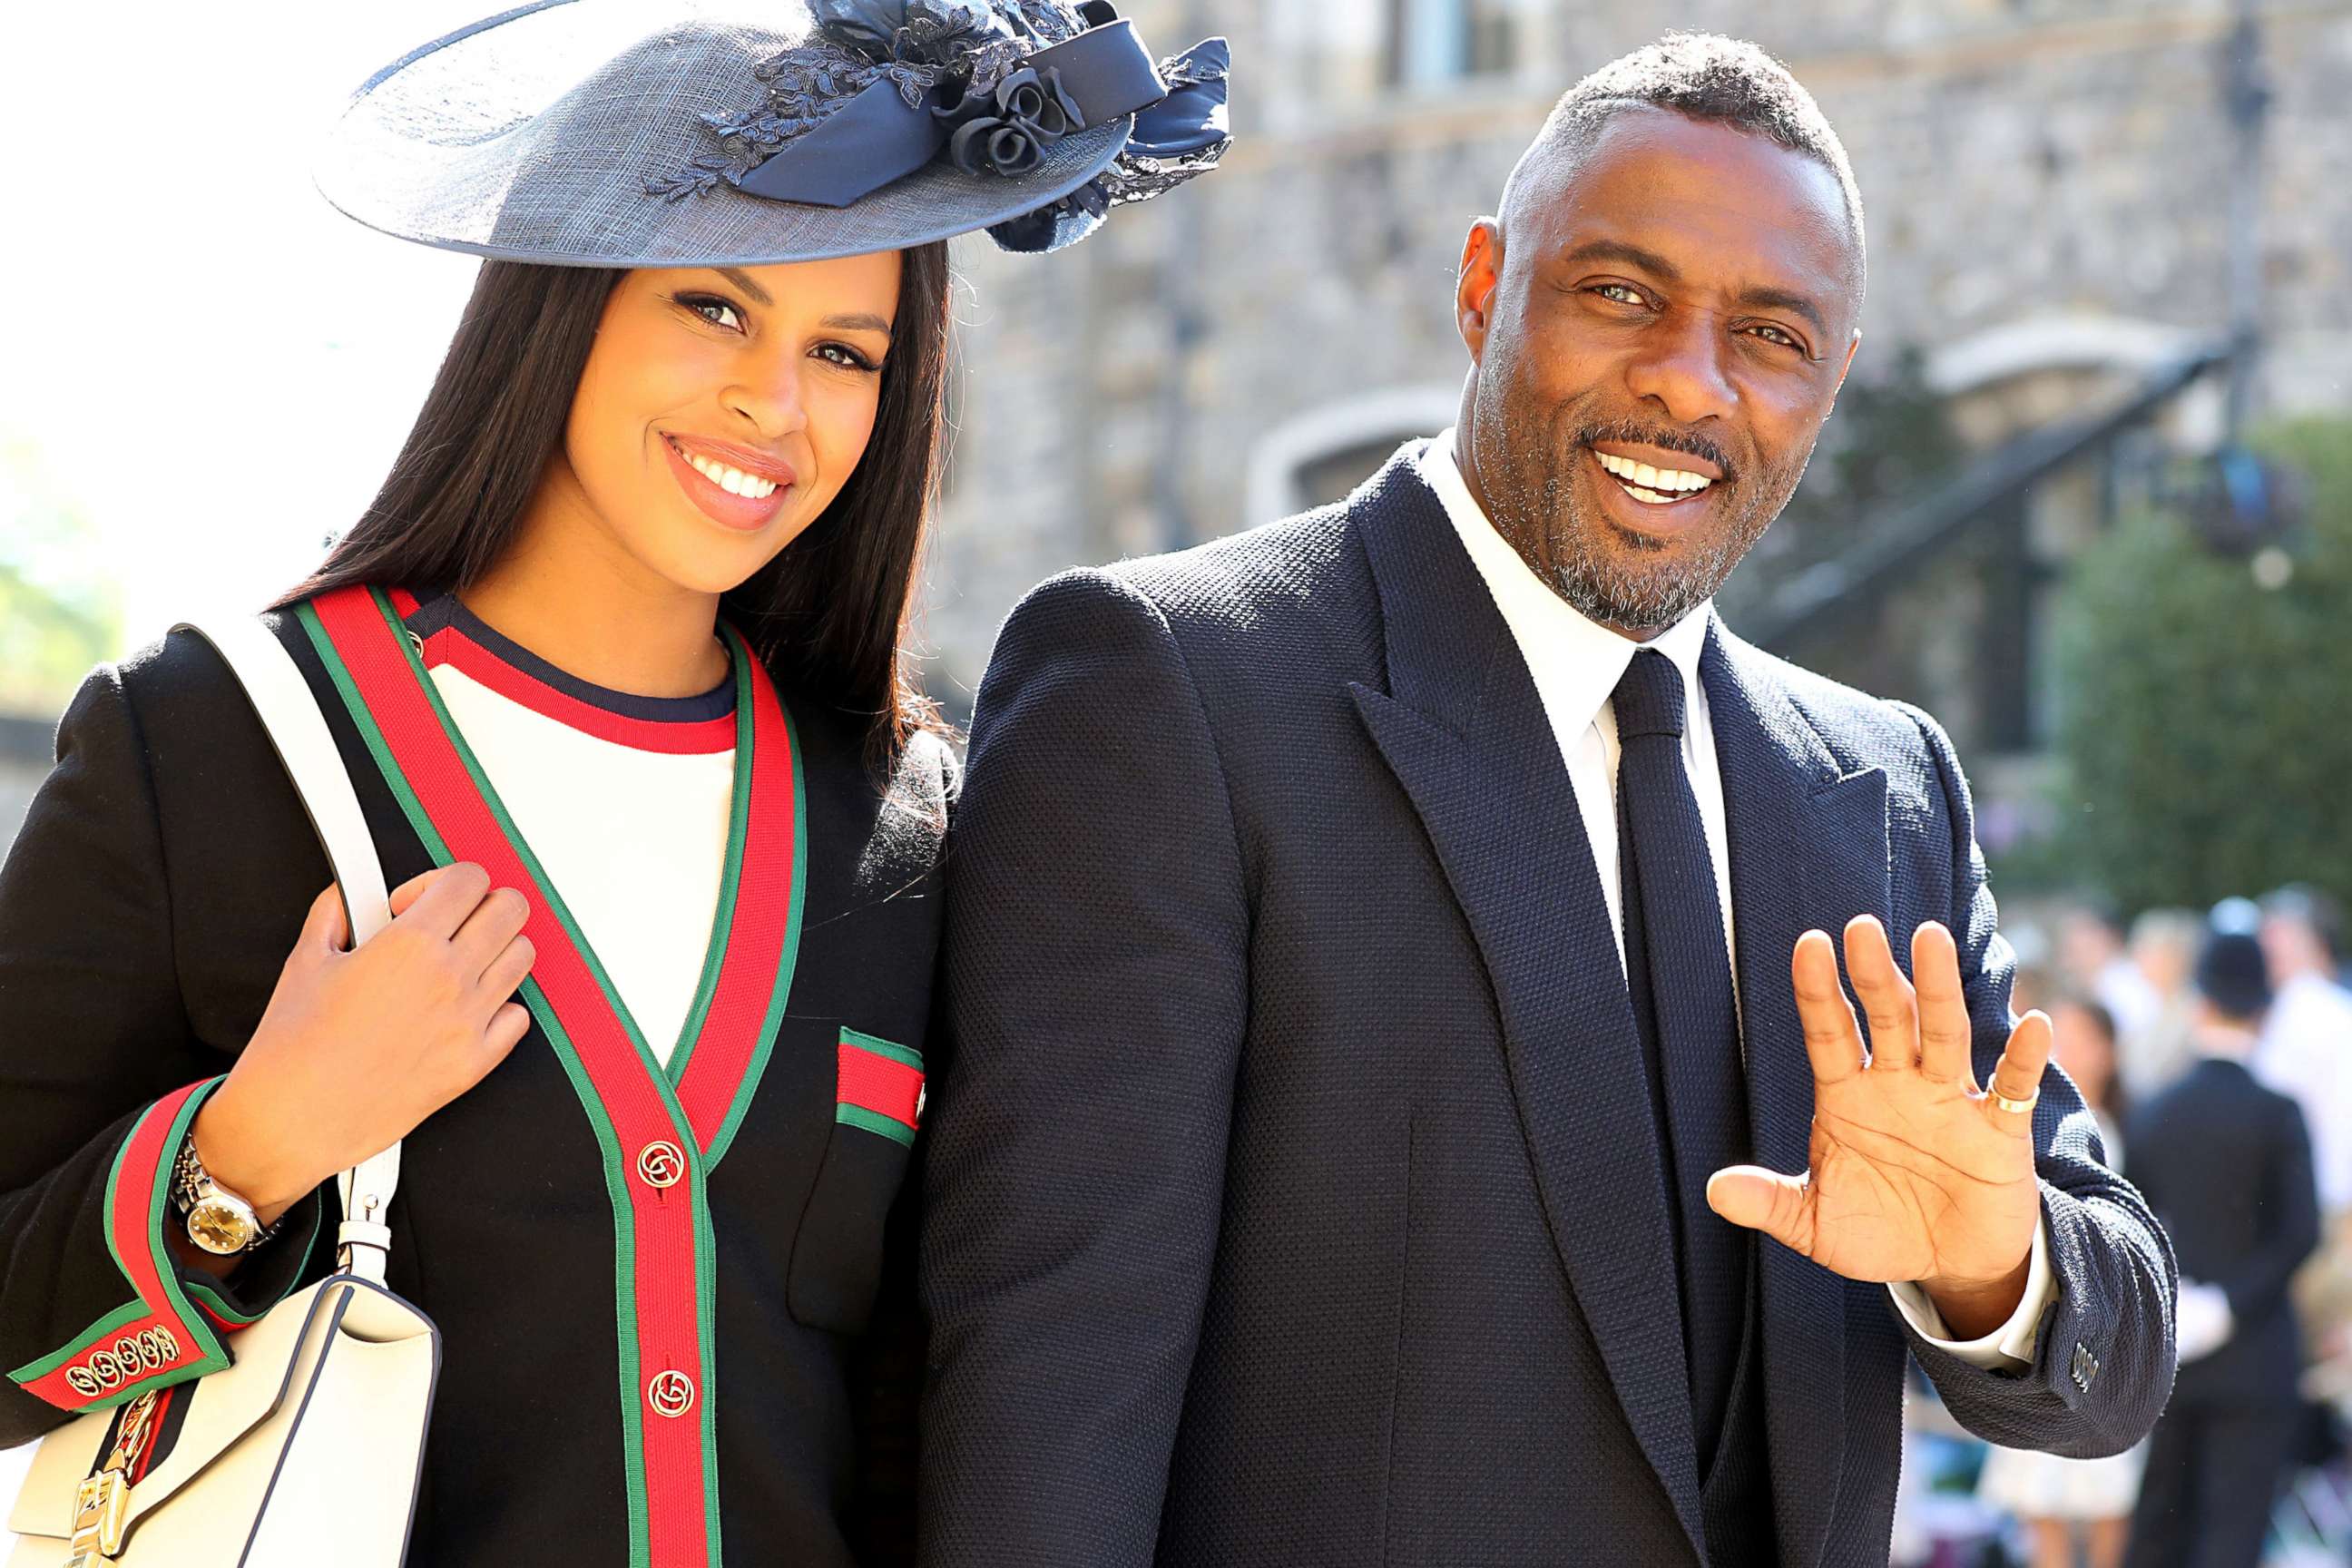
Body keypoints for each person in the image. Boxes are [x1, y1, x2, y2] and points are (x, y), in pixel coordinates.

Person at [921, 31, 2173, 1568]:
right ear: (1479, 288)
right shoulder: (1173, 686)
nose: (1686, 381)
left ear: (1828, 380)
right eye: (1620, 294)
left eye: (1771, 334)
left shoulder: (1879, 786)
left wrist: (1988, 1263)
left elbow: (2114, 1363)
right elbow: (1042, 1417)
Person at [0, 3, 1228, 1563]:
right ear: (567, 301)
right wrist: (245, 1155)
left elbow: (955, 1400)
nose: (775, 406)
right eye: (713, 309)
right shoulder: (209, 747)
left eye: (842, 352)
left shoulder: (907, 826)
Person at [2124, 927, 2321, 1568]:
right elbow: (2301, 1234)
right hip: (2259, 1353)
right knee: (2232, 1541)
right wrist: (2230, 1305)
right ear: (2262, 1009)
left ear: (2199, 1000)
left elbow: (2132, 1227)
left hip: (2173, 1356)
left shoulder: (2155, 1110)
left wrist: (2184, 1300)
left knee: (2159, 1531)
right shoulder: (2279, 1112)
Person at [1978, 997, 2144, 1568]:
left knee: (2105, 1500)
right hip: (2036, 1326)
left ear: (2109, 1051)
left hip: (2104, 1333)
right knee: (2038, 1498)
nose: (2067, 1052)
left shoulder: (2125, 1129)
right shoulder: (2029, 1121)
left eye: (2082, 1039)